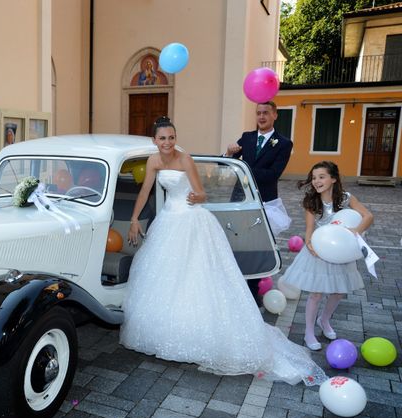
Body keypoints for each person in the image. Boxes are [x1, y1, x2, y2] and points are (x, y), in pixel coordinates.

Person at [121, 117, 326, 386]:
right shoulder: (153, 161)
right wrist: (135, 219)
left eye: (171, 137)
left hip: (191, 221)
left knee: (196, 277)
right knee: (166, 277)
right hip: (168, 221)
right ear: (154, 141)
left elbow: (202, 193)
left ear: (175, 138)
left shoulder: (185, 160)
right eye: (162, 138)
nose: (168, 143)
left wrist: (197, 197)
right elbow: (145, 189)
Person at [280, 161, 373, 350]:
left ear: (333, 178)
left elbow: (368, 216)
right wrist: (311, 245)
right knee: (316, 293)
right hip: (320, 250)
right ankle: (308, 332)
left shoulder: (347, 198)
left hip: (341, 252)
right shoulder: (311, 201)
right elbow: (309, 229)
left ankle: (324, 320)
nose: (316, 181)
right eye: (314, 178)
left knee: (339, 291)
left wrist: (355, 231)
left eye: (321, 177)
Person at [225, 101, 293, 305]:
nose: (261, 117)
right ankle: (235, 287)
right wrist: (229, 153)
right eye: (258, 113)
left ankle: (252, 295)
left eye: (265, 113)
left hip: (264, 202)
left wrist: (244, 167)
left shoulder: (283, 143)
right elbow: (228, 163)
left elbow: (273, 175)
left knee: (257, 247)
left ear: (274, 115)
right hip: (239, 200)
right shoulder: (247, 137)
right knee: (236, 243)